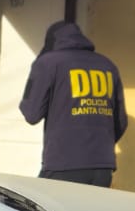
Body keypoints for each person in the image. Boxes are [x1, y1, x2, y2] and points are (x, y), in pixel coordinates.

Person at [18, 19, 127, 188]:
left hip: (64, 163)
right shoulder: (108, 65)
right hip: (103, 167)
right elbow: (120, 122)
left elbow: (31, 114)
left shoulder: (48, 63)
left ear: (51, 41)